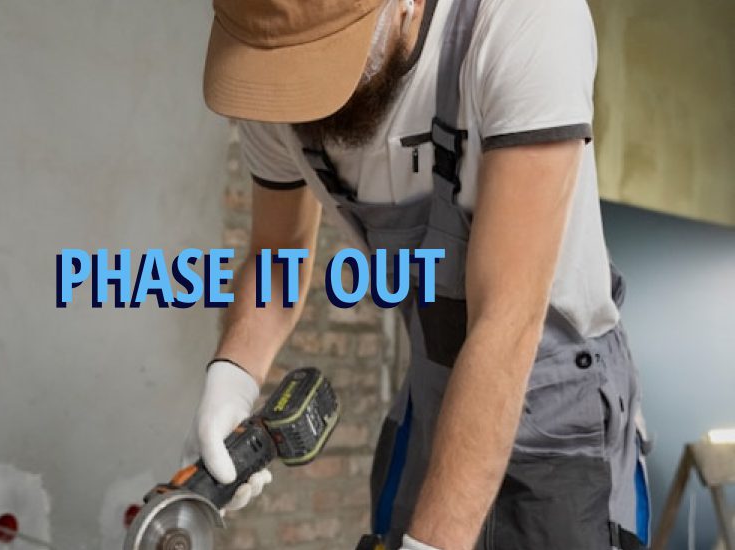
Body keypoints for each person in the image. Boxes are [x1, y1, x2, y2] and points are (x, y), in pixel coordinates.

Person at [182, 0, 652, 548]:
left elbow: (508, 316)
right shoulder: (270, 68)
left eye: (318, 59)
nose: (293, 93)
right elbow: (278, 254)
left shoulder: (524, 21)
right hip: (431, 385)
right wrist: (231, 378)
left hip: (555, 405)